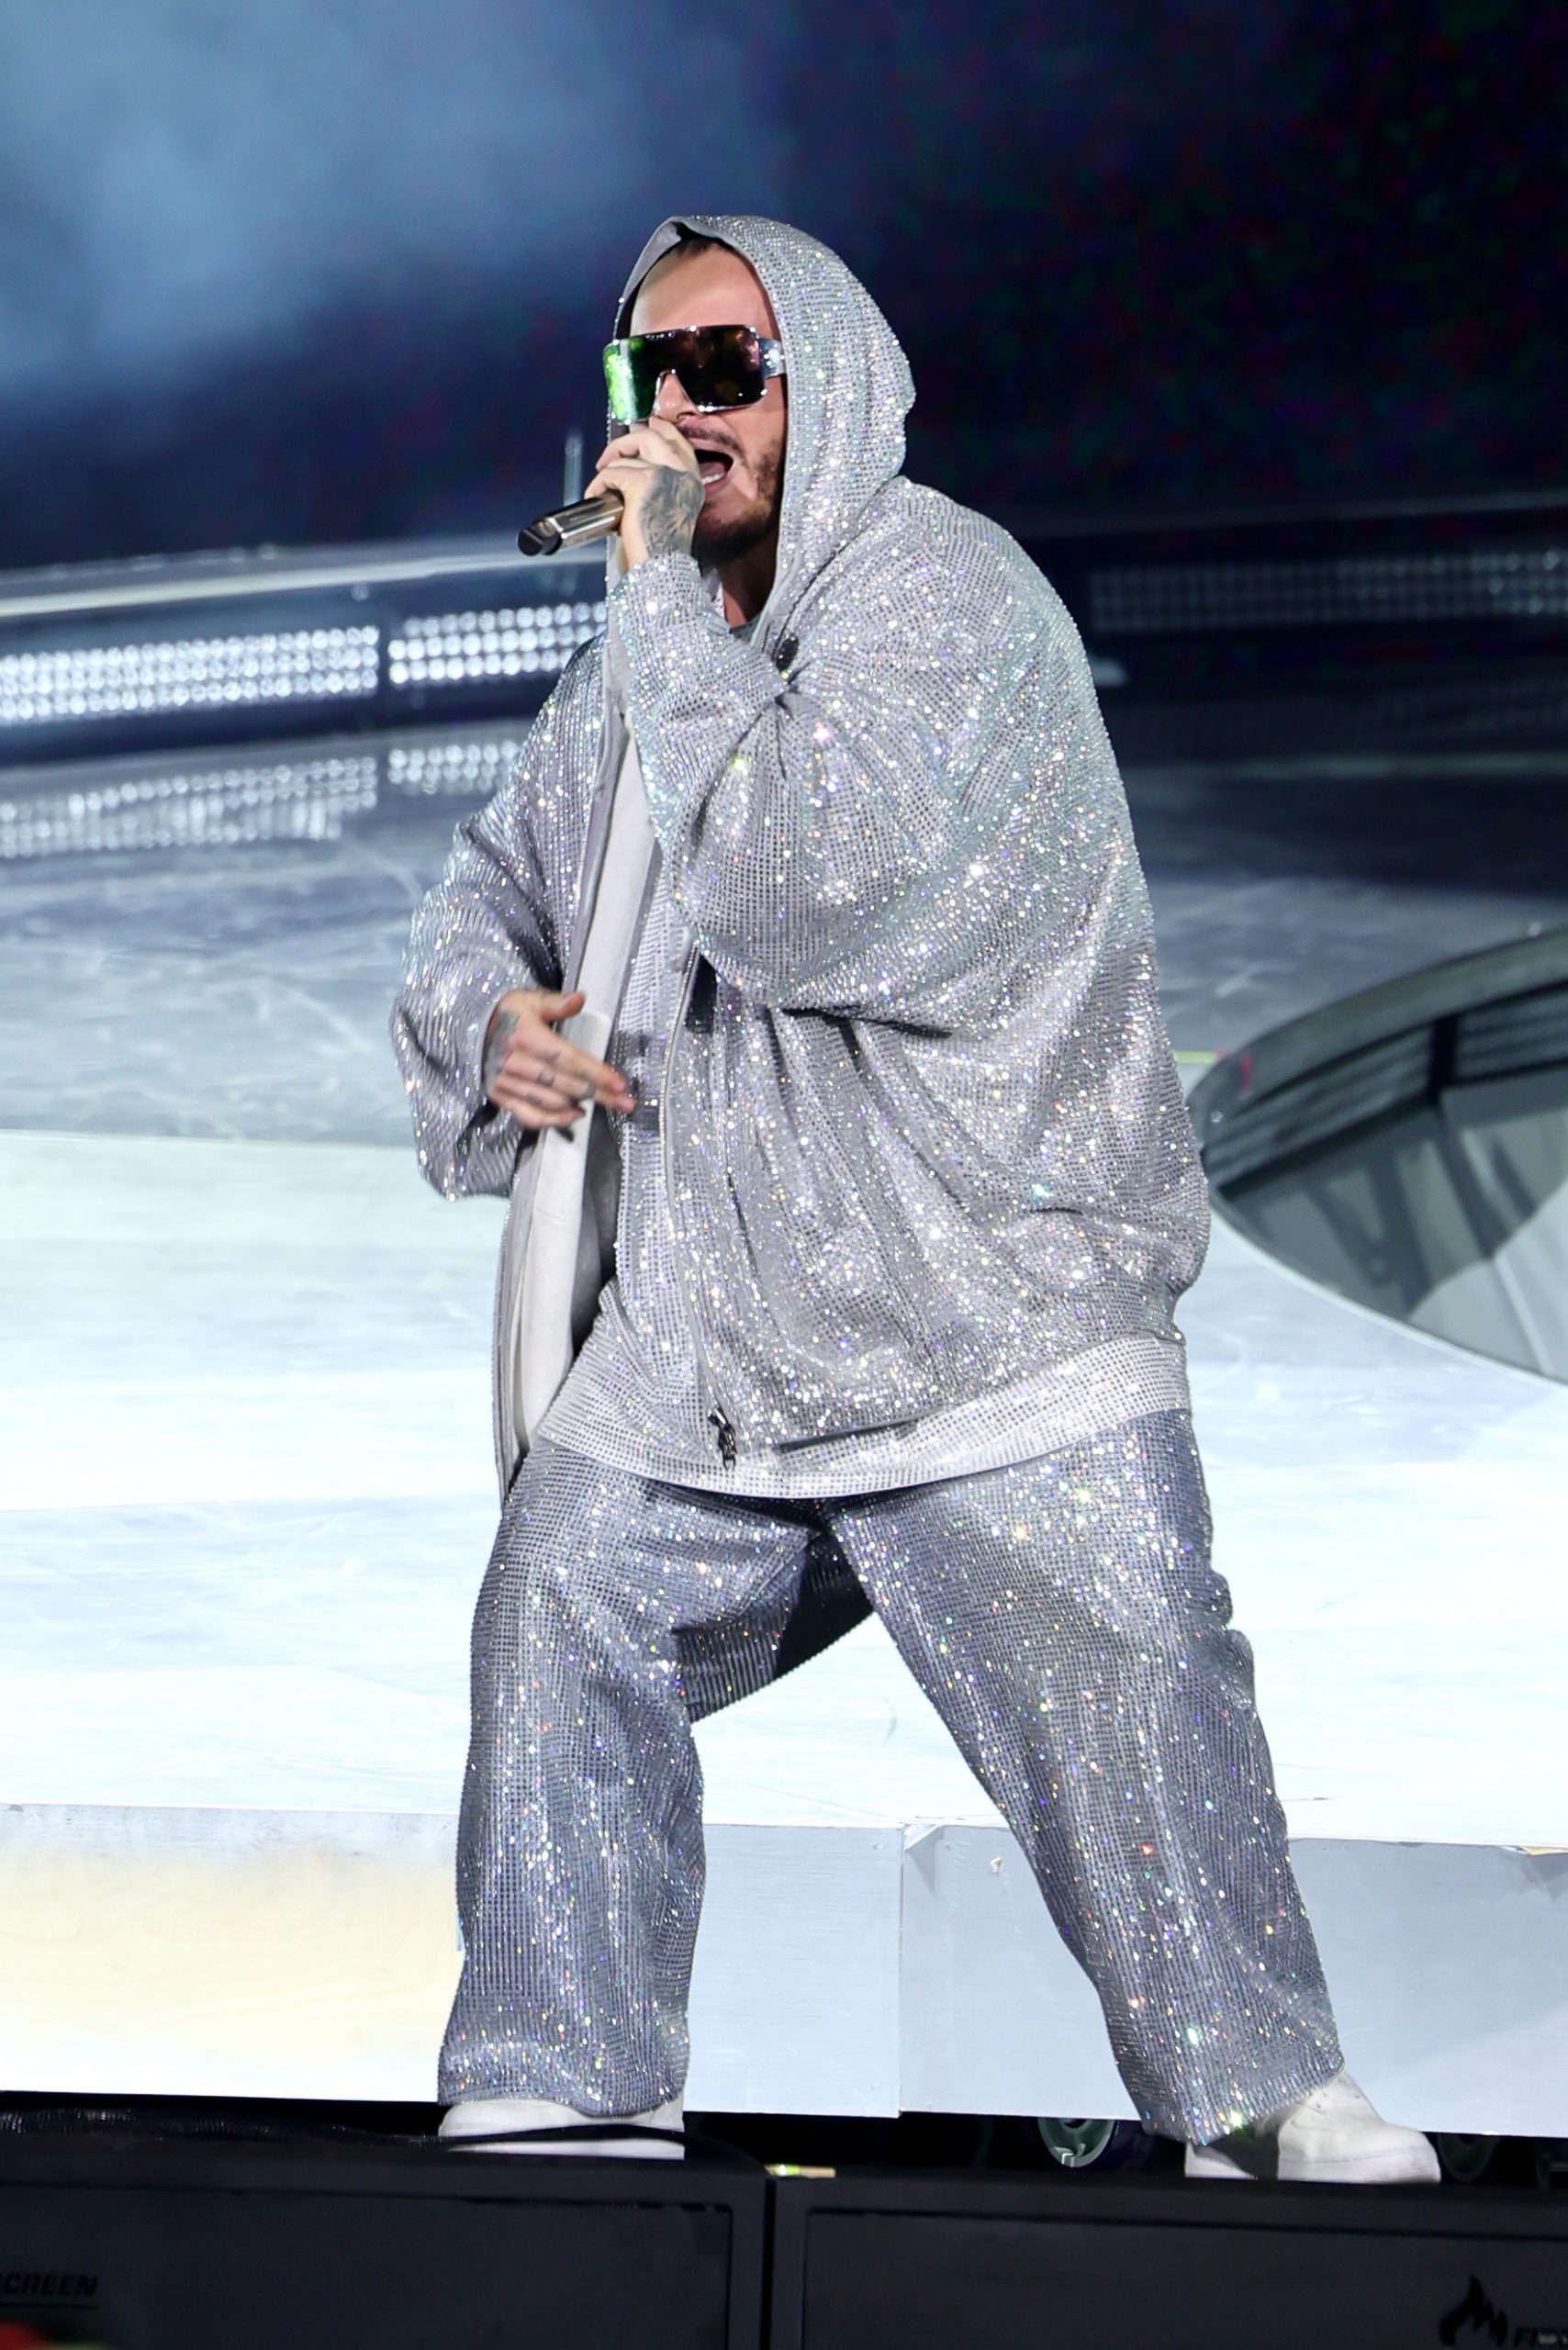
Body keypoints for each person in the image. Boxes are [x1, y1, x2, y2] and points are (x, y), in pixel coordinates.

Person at [391, 213, 1438, 2184]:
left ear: (832, 383)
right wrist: (494, 1021)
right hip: (715, 1335)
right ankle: (570, 2073)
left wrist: (654, 609)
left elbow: (798, 890)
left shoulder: (945, 602)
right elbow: (489, 892)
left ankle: (1259, 2090)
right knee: (561, 1610)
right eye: (649, 374)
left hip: (985, 1306)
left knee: (1138, 1687)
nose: (681, 414)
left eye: (725, 369)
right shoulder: (646, 664)